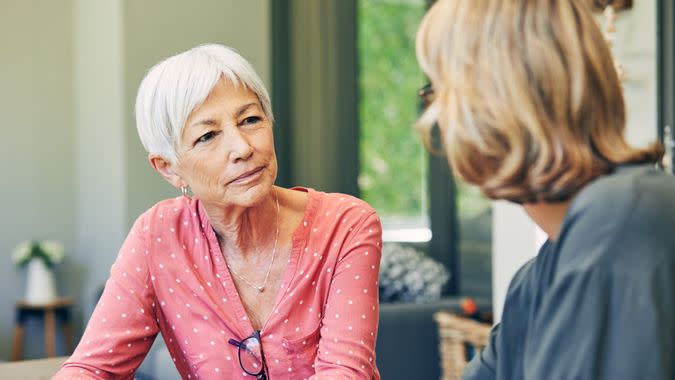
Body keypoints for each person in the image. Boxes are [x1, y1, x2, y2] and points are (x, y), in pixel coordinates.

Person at [55, 44, 382, 379]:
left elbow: (344, 373)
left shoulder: (345, 225)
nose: (242, 148)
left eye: (251, 120)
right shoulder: (158, 236)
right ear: (169, 169)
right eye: (208, 136)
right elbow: (93, 367)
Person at [415, 0, 674, 379]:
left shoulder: (621, 222)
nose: (433, 116)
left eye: (439, 91)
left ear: (495, 99)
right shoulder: (536, 280)